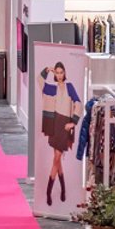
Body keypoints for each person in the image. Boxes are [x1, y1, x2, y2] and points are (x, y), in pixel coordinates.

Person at [39, 61, 82, 205]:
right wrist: (47, 70)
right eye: (57, 72)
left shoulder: (69, 87)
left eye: (61, 72)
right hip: (54, 123)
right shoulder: (52, 88)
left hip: (64, 125)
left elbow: (78, 103)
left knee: (56, 158)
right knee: (57, 160)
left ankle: (48, 191)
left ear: (64, 73)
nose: (59, 75)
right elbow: (39, 81)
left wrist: (73, 122)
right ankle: (63, 188)